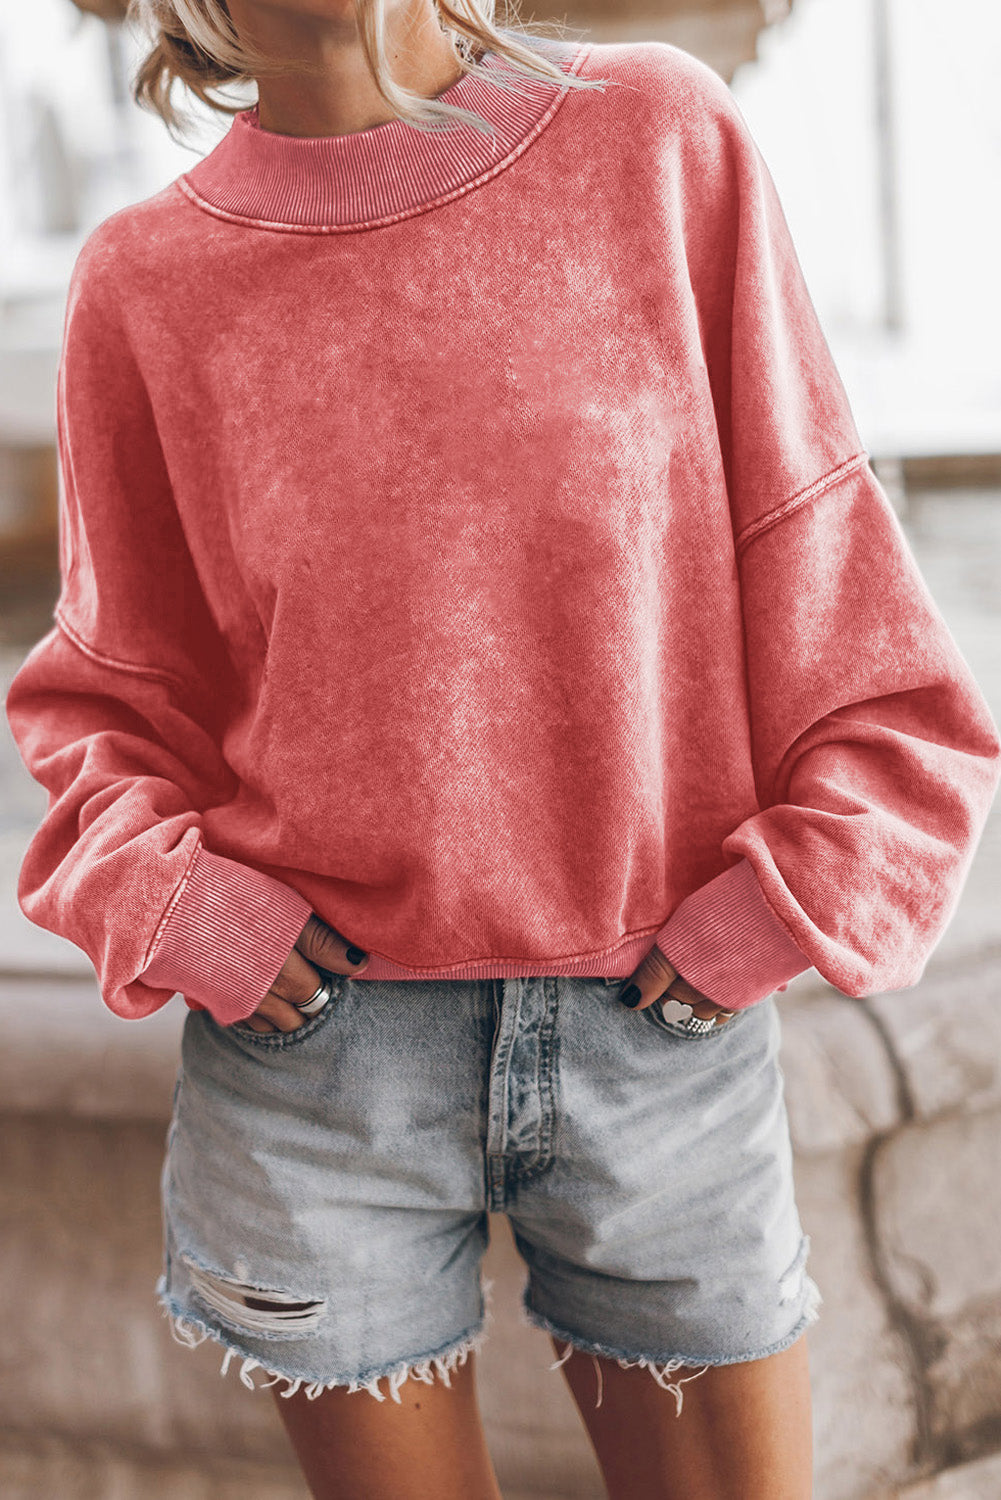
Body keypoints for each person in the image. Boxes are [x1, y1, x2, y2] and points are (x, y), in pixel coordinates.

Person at [6, 1, 1000, 1496]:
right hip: (316, 1075)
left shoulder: (660, 141)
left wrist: (784, 901)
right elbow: (100, 708)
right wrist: (182, 909)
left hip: (656, 1037)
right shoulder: (144, 286)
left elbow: (838, 595)